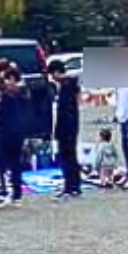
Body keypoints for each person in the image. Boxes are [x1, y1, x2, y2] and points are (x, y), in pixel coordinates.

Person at [0, 66, 29, 211]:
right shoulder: (21, 93)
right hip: (15, 134)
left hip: (5, 134)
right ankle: (15, 196)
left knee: (0, 165)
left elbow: (2, 116)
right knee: (14, 165)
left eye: (7, 78)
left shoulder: (8, 95)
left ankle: (2, 194)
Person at [49, 59, 82, 199]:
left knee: (67, 156)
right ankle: (74, 186)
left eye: (53, 74)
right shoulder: (65, 85)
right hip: (68, 125)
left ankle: (70, 186)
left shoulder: (68, 84)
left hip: (67, 126)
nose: (52, 78)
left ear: (57, 72)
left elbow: (66, 110)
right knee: (70, 156)